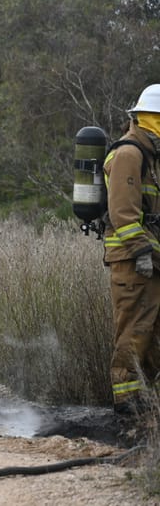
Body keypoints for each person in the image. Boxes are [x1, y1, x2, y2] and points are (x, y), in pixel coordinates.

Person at [103, 84, 160, 416]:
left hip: (150, 260)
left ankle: (145, 400)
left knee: (151, 333)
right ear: (149, 119)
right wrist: (140, 252)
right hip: (132, 261)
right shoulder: (129, 154)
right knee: (134, 330)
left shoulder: (150, 156)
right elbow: (123, 213)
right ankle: (126, 401)